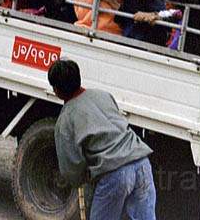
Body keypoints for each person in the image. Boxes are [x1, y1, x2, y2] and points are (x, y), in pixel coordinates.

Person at [48, 59, 156, 220]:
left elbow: (71, 169)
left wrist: (83, 178)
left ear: (56, 90)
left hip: (115, 172)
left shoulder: (66, 120)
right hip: (141, 163)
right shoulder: (103, 95)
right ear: (79, 78)